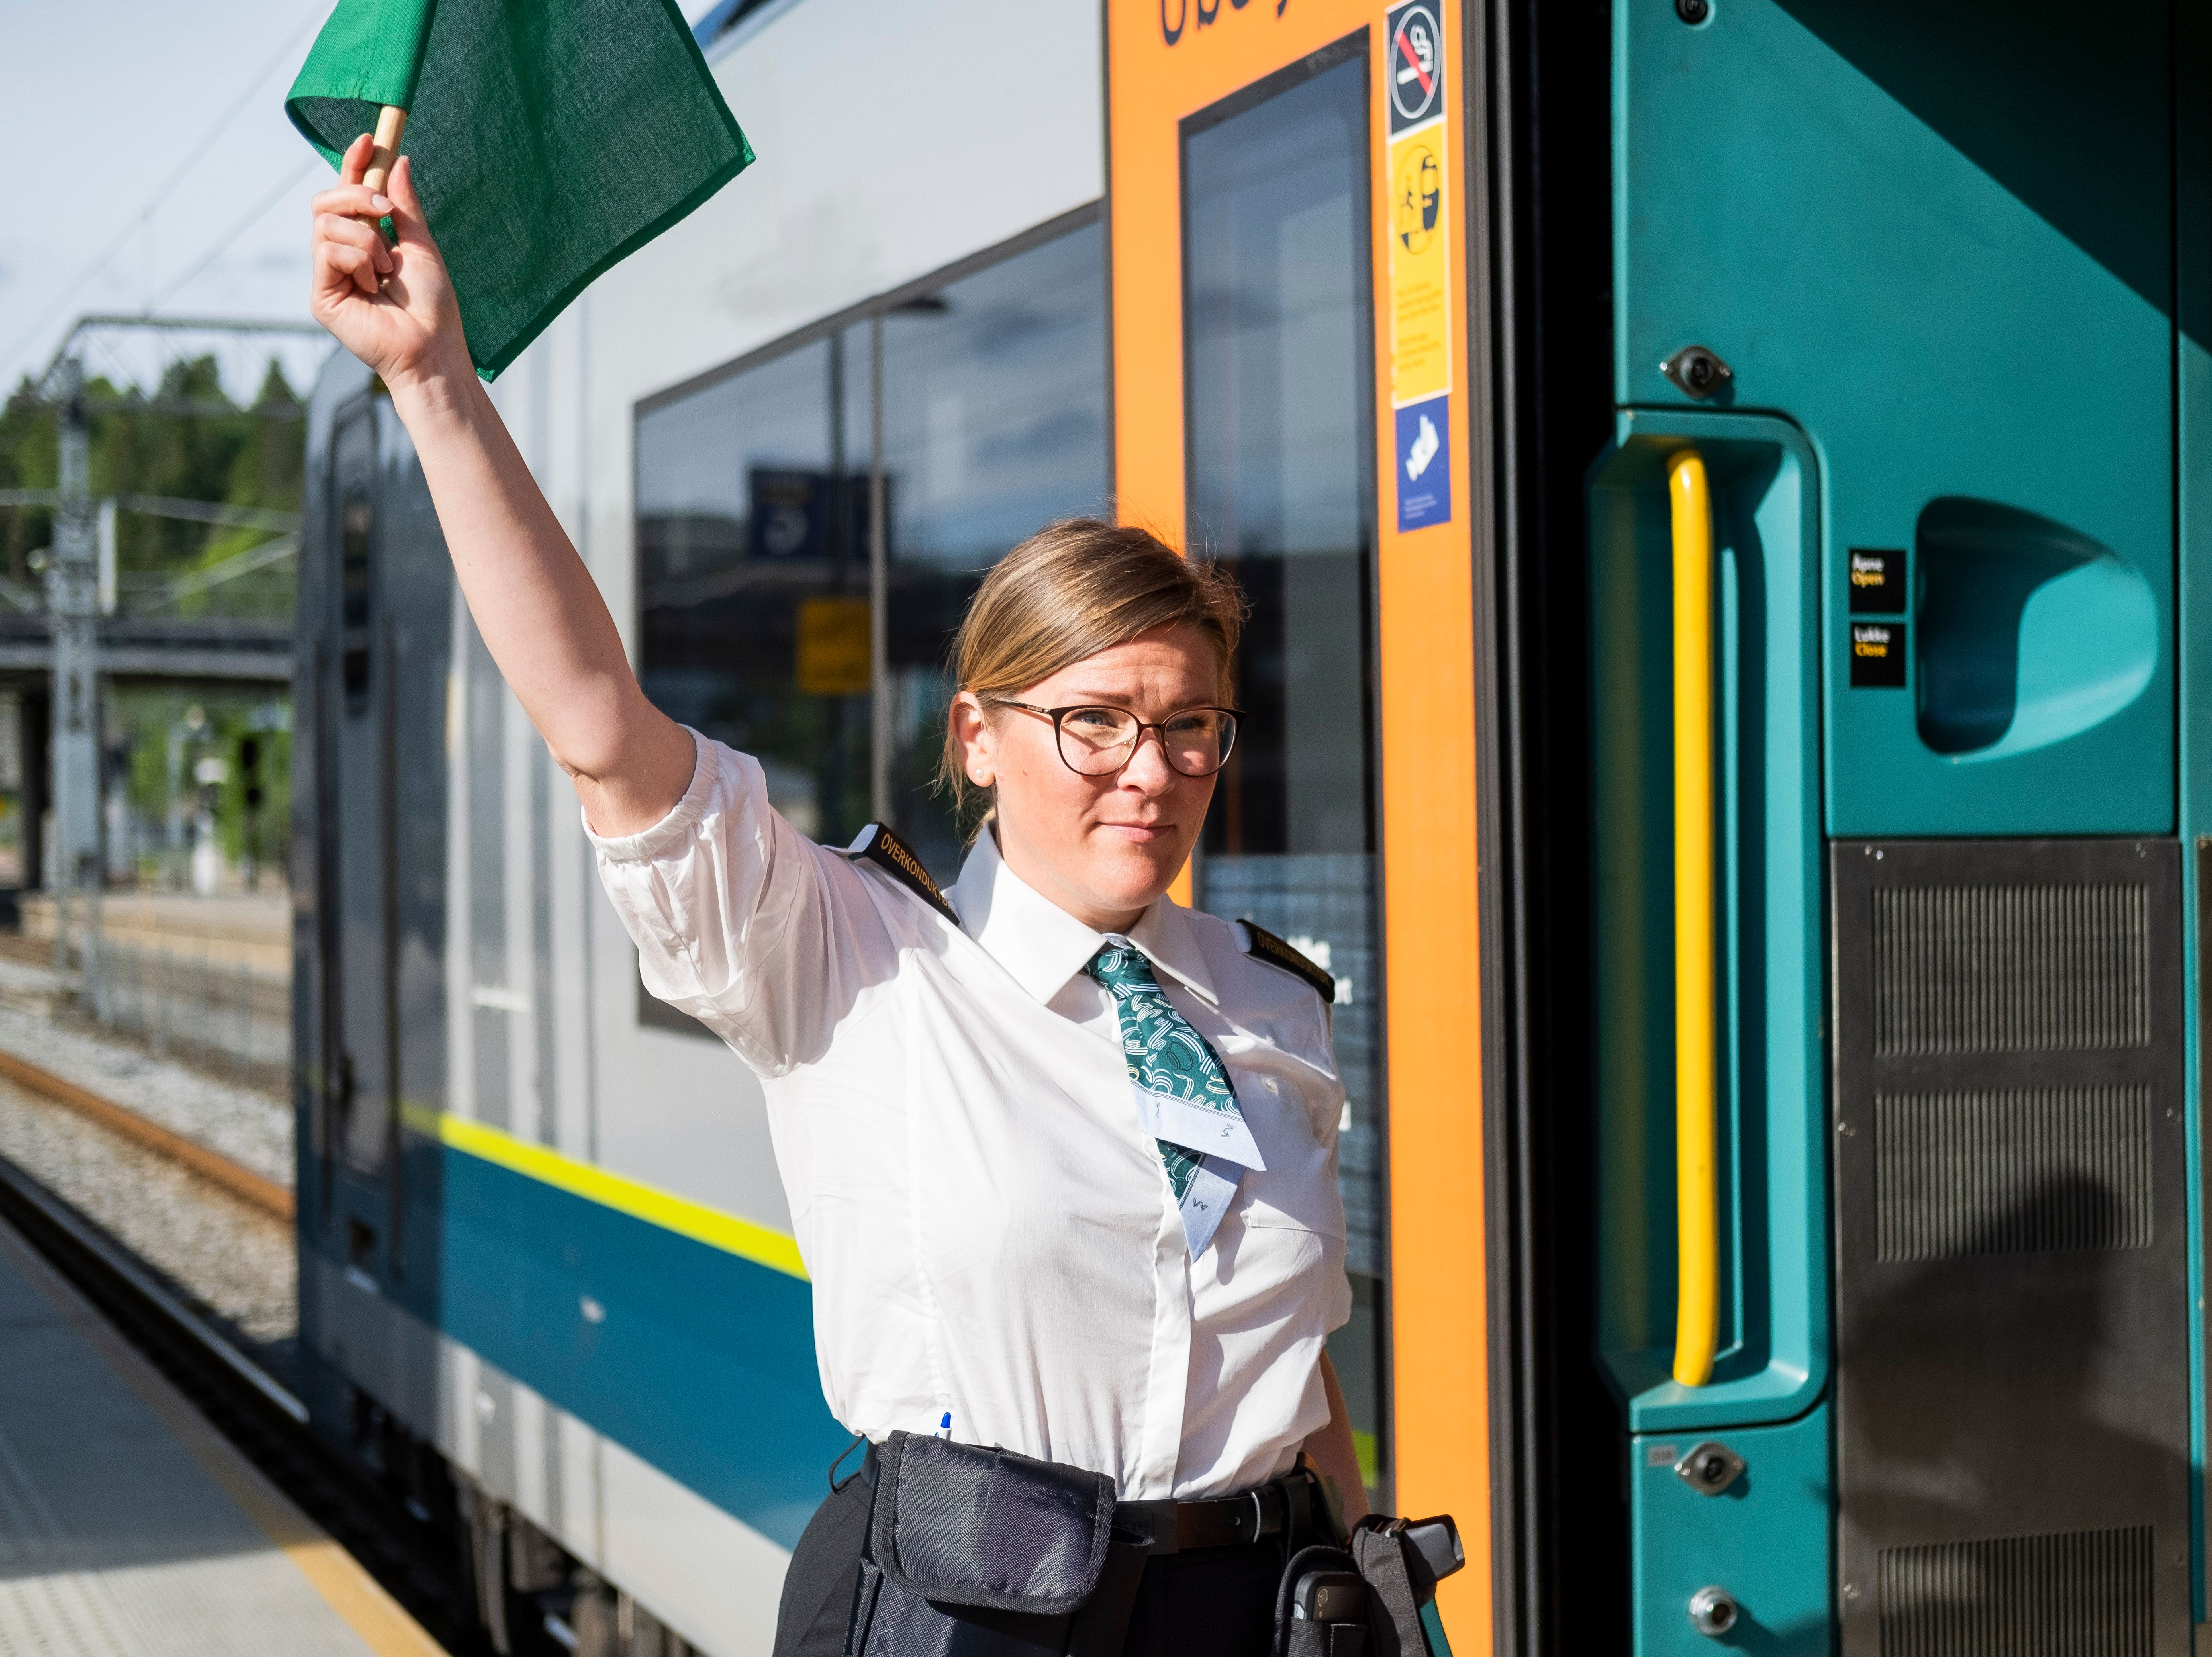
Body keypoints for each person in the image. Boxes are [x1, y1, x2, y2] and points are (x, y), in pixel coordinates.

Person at [310, 134, 1370, 1657]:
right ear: (980, 740)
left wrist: (1377, 1591)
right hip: (989, 1613)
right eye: (1095, 722)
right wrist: (433, 384)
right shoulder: (847, 960)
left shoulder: (1269, 1006)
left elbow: (1297, 1373)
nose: (1150, 769)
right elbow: (602, 730)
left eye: (1189, 723)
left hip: (1264, 1608)